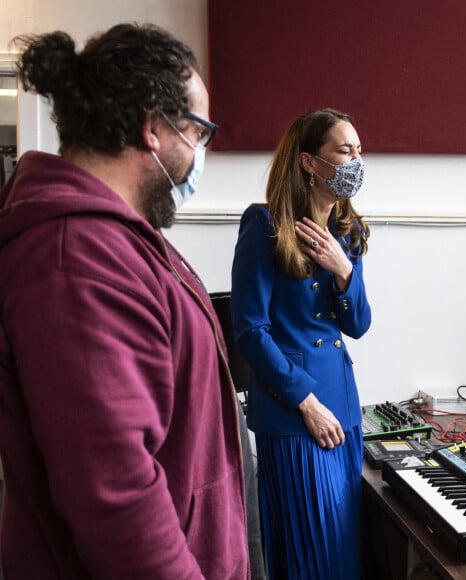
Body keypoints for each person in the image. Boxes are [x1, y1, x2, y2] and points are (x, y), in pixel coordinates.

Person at [0, 23, 250, 579]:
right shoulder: (77, 258)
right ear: (155, 128)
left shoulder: (120, 239)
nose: (201, 153)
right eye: (200, 132)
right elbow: (117, 494)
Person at [231, 108, 372, 579]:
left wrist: (343, 269)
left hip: (344, 410)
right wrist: (305, 402)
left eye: (358, 149)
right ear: (311, 162)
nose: (356, 159)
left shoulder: (347, 233)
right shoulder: (264, 224)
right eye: (344, 149)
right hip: (296, 414)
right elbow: (249, 331)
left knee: (343, 551)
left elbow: (359, 326)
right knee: (311, 551)